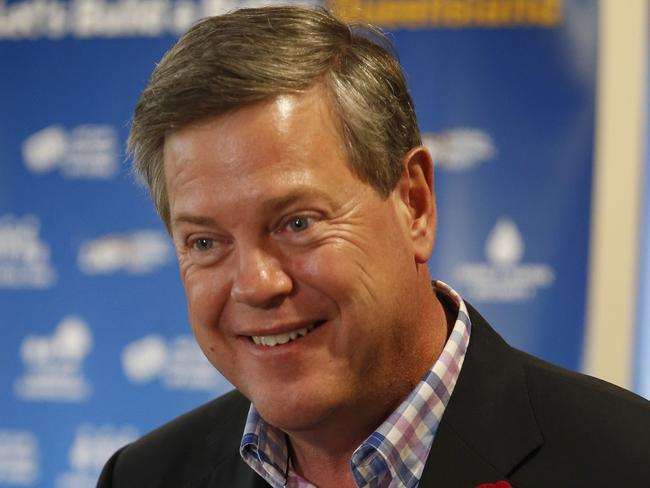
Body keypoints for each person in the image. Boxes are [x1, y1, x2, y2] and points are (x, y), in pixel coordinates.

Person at [97, 6, 650, 488]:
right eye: (204, 241)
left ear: (414, 203)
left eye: (296, 223)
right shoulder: (144, 477)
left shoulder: (627, 462)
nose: (256, 284)